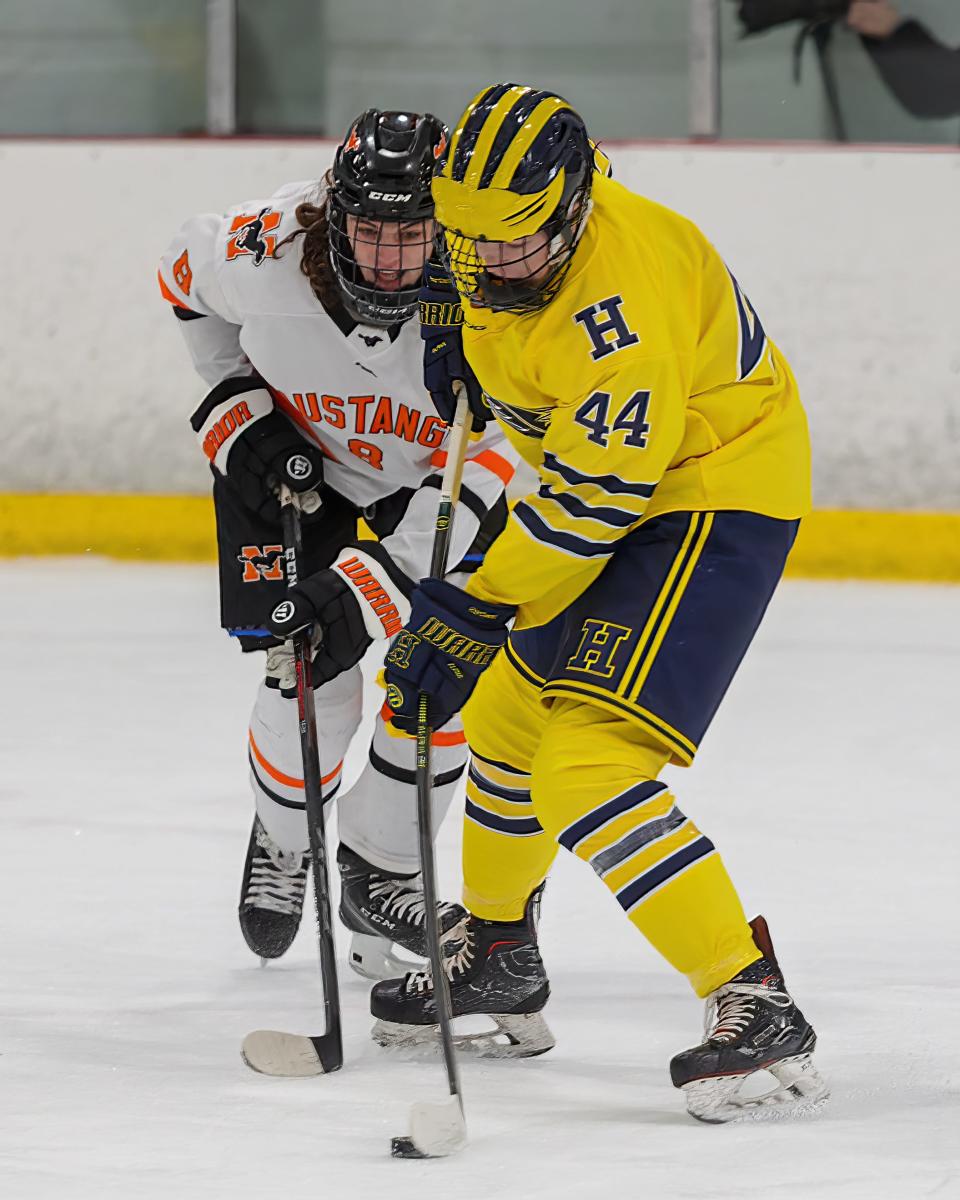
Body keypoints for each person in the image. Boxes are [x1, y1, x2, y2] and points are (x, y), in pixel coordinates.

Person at [372, 84, 829, 1122]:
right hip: (613, 490)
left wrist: (472, 605)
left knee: (586, 766)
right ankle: (498, 956)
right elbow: (474, 261)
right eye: (467, 242)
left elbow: (596, 499)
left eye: (513, 247)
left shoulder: (622, 298)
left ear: (573, 206)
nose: (489, 264)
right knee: (507, 720)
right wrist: (451, 320)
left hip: (710, 491)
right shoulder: (495, 221)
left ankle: (755, 999)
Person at [157, 110, 519, 980]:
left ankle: (380, 878)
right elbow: (178, 277)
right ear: (333, 215)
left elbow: (511, 452)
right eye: (369, 232)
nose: (390, 258)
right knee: (310, 680)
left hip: (429, 488)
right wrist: (236, 415)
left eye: (412, 235)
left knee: (441, 680)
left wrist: (389, 578)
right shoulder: (260, 251)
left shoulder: (491, 290)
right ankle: (286, 842)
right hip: (292, 469)